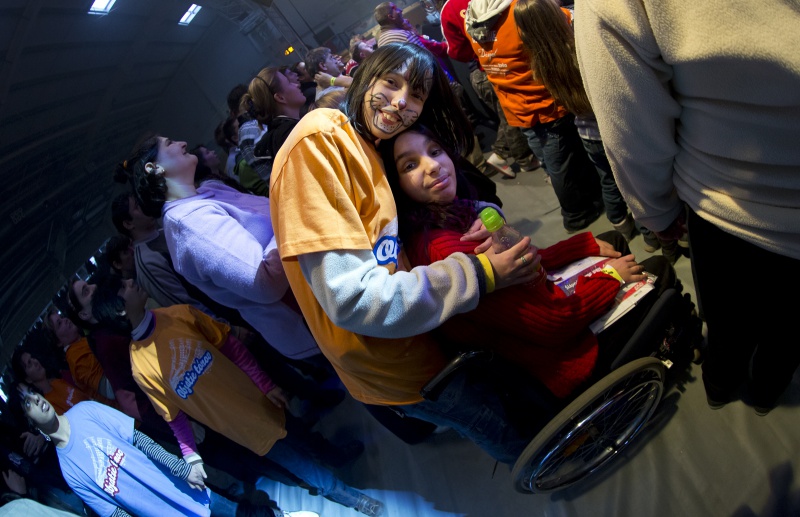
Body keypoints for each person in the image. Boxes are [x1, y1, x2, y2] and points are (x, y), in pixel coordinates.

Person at [270, 42, 541, 465]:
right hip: (392, 361)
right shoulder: (320, 141)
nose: (401, 102)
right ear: (364, 78)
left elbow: (410, 213)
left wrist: (479, 214)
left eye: (416, 94)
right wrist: (480, 273)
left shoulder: (368, 141)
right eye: (391, 82)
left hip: (426, 335)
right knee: (506, 432)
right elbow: (353, 299)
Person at [575, 0, 800, 414]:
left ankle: (720, 388)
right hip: (730, 207)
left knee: (728, 326)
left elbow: (626, 112)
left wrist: (656, 209)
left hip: (724, 208)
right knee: (789, 336)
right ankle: (766, 395)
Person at [383, 124, 679, 396]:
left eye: (434, 151)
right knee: (658, 270)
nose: (433, 165)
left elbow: (520, 263)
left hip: (542, 303)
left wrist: (579, 245)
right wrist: (609, 278)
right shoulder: (447, 250)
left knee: (611, 242)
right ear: (395, 185)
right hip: (560, 357)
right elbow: (554, 324)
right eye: (410, 165)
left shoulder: (449, 214)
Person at [89, 277, 382, 516]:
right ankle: (349, 497)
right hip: (238, 428)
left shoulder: (178, 315)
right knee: (296, 463)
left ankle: (335, 457)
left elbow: (231, 347)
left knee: (301, 435)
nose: (130, 282)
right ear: (120, 310)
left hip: (260, 400)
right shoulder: (141, 366)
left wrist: (265, 384)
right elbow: (174, 416)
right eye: (122, 287)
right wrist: (190, 454)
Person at [115, 133, 322, 364]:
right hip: (312, 313)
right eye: (169, 143)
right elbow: (266, 279)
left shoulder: (206, 191)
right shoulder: (189, 224)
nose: (183, 142)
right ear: (154, 168)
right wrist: (291, 212)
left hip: (318, 287)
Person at [512, 0, 669, 256]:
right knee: (634, 186)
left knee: (608, 182)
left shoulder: (540, 66)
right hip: (610, 129)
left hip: (586, 134)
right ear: (555, 17)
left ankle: (621, 226)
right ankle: (651, 236)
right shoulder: (579, 51)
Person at [16, 387, 315, 517]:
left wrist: (182, 468)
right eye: (29, 402)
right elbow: (113, 512)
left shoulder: (85, 412)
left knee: (234, 512)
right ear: (31, 424)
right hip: (158, 513)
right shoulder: (68, 470)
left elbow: (139, 439)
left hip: (177, 485)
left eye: (36, 394)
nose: (38, 400)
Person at [458, 0, 604, 232]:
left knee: (549, 161)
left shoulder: (471, 16)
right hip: (545, 103)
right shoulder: (519, 10)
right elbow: (564, 19)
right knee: (561, 166)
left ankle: (580, 202)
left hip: (516, 105)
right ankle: (576, 215)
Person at [440, 0, 540, 178]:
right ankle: (514, 157)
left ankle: (512, 156)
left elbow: (456, 51)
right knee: (512, 114)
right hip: (498, 67)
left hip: (484, 70)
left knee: (510, 115)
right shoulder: (451, 8)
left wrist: (478, 52)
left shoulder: (449, 9)